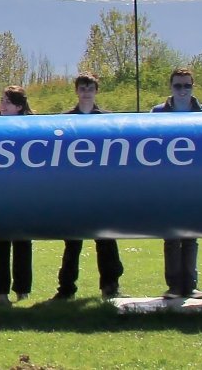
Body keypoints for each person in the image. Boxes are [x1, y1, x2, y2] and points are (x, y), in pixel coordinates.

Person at [53, 73, 123, 300]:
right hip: (74, 192)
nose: (86, 92)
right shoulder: (65, 120)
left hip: (101, 191)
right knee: (72, 243)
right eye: (82, 88)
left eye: (90, 87)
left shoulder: (108, 120)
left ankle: (110, 286)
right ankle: (66, 290)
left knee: (106, 241)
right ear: (76, 91)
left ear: (96, 90)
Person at [152, 68, 202, 301]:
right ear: (171, 87)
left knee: (191, 236)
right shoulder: (157, 113)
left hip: (195, 183)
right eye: (178, 86)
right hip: (168, 183)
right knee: (171, 236)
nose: (182, 90)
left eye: (187, 85)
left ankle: (191, 285)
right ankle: (174, 286)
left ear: (193, 87)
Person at [0, 86, 35, 304]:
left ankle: (23, 290)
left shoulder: (30, 129)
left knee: (23, 243)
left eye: (7, 101)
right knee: (0, 244)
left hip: (23, 196)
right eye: (1, 100)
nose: (3, 104)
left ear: (19, 106)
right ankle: (1, 292)